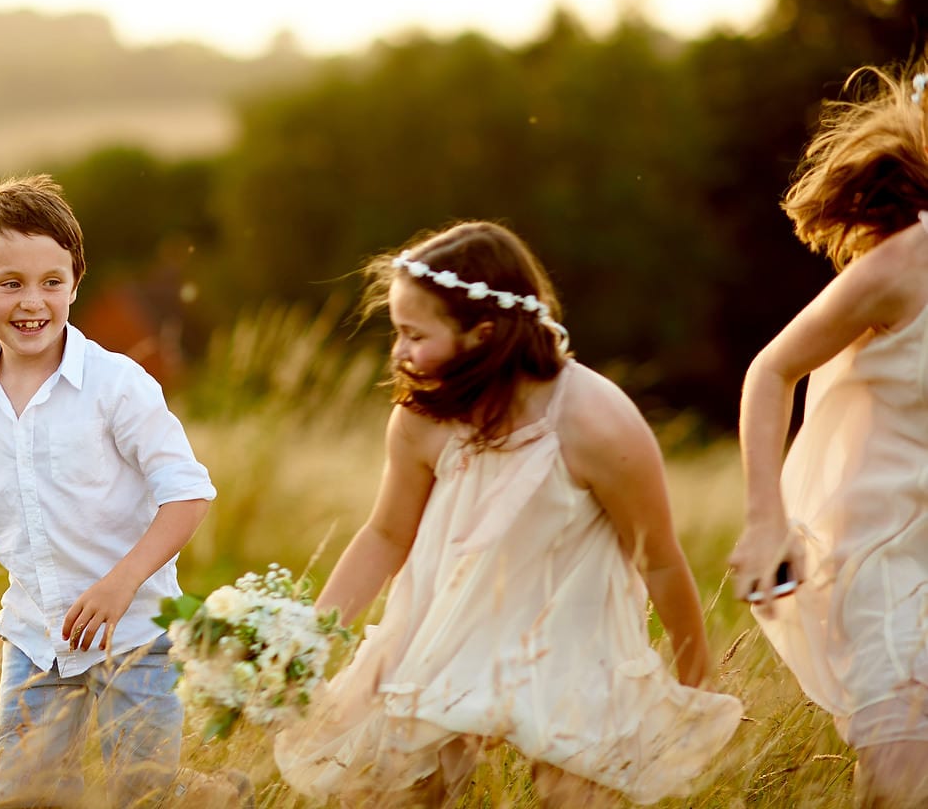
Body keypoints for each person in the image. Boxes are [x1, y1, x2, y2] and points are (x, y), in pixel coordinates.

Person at [273, 221, 742, 808]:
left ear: (483, 333)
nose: (398, 352)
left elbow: (661, 560)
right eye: (397, 332)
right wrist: (304, 637)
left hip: (567, 639)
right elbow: (386, 535)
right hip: (445, 630)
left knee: (573, 791)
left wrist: (697, 681)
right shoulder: (423, 415)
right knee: (389, 790)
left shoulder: (597, 422)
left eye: (414, 335)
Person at [0, 175, 218, 807]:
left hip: (137, 633)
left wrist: (122, 584)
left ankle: (217, 796)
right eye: (9, 282)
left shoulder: (119, 384)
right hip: (36, 640)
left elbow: (188, 493)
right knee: (27, 797)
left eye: (50, 282)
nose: (31, 301)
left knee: (141, 792)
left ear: (74, 281)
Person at [729, 65, 928, 808]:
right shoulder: (903, 265)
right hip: (877, 557)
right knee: (903, 775)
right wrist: (764, 518)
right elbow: (771, 370)